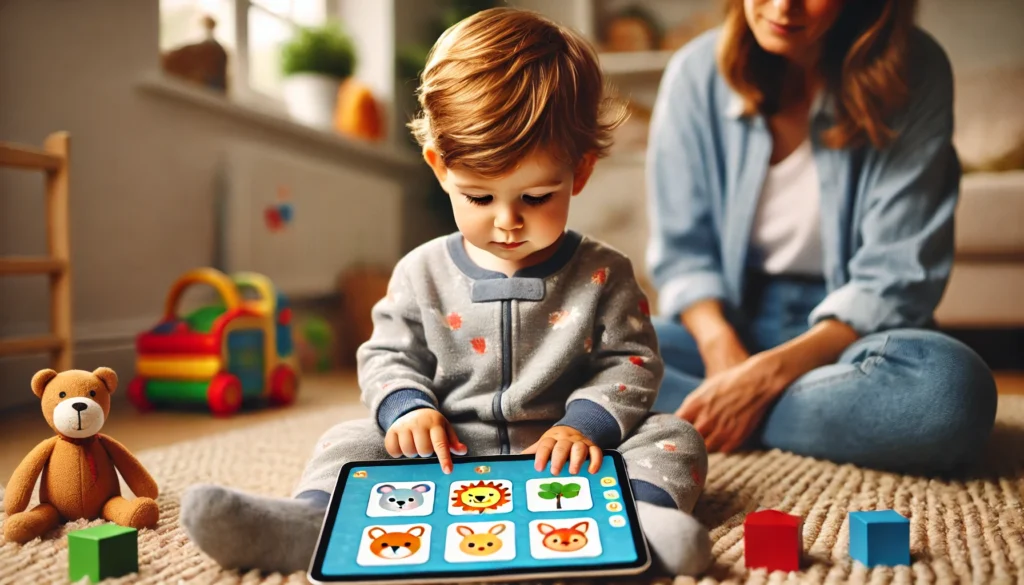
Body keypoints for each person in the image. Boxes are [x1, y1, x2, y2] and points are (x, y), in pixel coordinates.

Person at [181, 8, 712, 577]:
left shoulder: (605, 272)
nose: (507, 223)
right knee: (347, 438)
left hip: (569, 458)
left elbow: (631, 363)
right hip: (444, 454)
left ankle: (639, 525)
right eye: (480, 198)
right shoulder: (420, 272)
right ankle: (309, 524)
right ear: (440, 167)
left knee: (674, 436)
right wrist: (408, 409)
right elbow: (387, 355)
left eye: (535, 198)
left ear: (579, 172)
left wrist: (586, 426)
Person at [646, 0, 998, 473]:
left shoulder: (917, 71)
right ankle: (769, 411)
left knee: (949, 392)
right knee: (575, 353)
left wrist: (764, 379)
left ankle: (722, 415)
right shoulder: (694, 74)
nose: (782, 6)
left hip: (850, 337)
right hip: (729, 321)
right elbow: (684, 255)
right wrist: (722, 352)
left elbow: (894, 276)